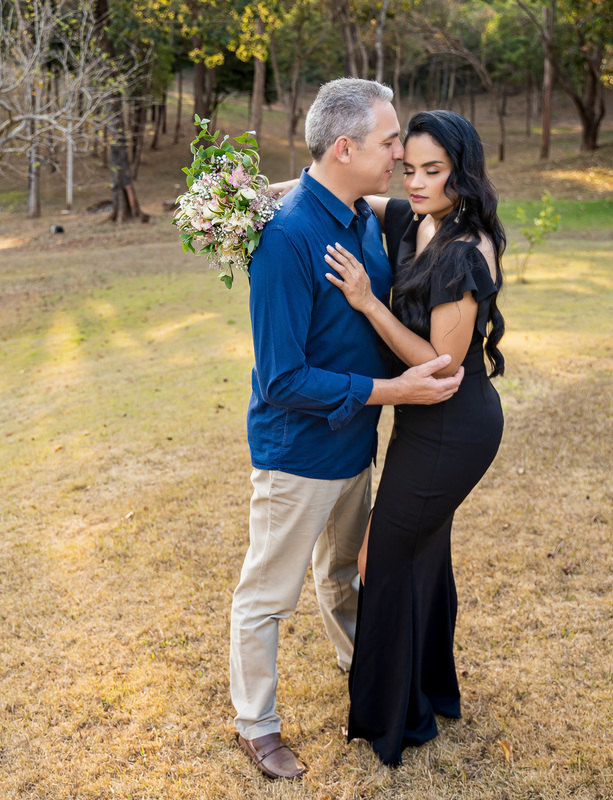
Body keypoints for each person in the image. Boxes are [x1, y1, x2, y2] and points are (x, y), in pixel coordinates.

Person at [229, 80, 465, 781]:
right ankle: (257, 725)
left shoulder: (364, 214)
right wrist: (393, 391)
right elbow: (280, 378)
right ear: (345, 147)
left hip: (354, 447)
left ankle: (365, 674)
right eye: (390, 141)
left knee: (340, 573)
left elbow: (450, 203)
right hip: (298, 456)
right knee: (268, 596)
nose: (401, 152)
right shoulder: (287, 238)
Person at [320, 110, 507, 766]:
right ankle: (426, 692)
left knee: (381, 559)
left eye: (435, 171)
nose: (418, 182)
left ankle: (393, 714)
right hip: (420, 421)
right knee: (422, 555)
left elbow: (441, 366)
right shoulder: (413, 219)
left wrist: (369, 302)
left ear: (463, 172)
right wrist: (249, 194)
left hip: (454, 425)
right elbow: (330, 185)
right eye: (411, 169)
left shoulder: (464, 249)